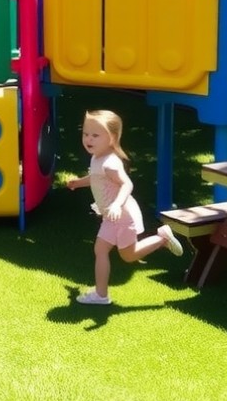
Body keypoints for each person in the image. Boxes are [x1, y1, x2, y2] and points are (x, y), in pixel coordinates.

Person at [66, 108, 182, 306]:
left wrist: (117, 205)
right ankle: (102, 294)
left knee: (116, 253)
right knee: (114, 252)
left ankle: (160, 239)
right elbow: (96, 179)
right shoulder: (97, 158)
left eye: (95, 135)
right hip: (112, 216)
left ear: (111, 138)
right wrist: (79, 182)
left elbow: (127, 184)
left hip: (122, 215)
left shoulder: (110, 163)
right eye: (85, 134)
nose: (88, 139)